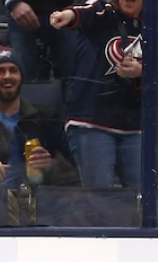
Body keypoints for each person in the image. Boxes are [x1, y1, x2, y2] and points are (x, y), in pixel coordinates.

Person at [50, 0, 142, 189]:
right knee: (101, 201)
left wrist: (142, 72)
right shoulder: (103, 11)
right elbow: (84, 11)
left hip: (137, 127)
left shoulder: (153, 24)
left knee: (142, 199)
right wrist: (67, 15)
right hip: (92, 122)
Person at [0, 46, 78, 191]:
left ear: (21, 77)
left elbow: (75, 170)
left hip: (42, 202)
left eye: (13, 70)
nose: (7, 76)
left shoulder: (46, 118)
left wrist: (50, 165)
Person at [5, 0, 77, 81]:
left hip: (69, 11)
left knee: (74, 77)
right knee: (25, 76)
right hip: (22, 10)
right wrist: (13, 3)